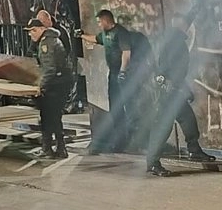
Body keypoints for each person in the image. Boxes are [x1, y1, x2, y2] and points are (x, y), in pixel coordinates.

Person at [144, 12, 215, 177]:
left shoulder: (176, 40)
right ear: (179, 24)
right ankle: (153, 163)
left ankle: (194, 150)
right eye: (185, 23)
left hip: (176, 90)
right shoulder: (171, 41)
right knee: (163, 127)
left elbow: (177, 71)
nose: (187, 26)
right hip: (168, 92)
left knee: (188, 120)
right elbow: (162, 65)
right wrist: (164, 81)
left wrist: (184, 88)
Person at [82, 9, 143, 154]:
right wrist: (81, 36)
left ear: (106, 20)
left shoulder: (121, 33)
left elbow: (126, 53)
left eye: (99, 21)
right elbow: (95, 39)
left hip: (123, 75)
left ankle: (134, 141)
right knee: (115, 107)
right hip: (113, 74)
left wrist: (123, 71)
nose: (98, 24)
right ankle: (120, 141)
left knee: (128, 107)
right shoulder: (105, 34)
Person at [28, 17, 73, 158]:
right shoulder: (50, 39)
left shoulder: (46, 43)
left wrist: (39, 86)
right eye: (29, 31)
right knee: (53, 116)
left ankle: (50, 148)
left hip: (56, 83)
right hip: (60, 82)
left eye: (33, 31)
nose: (31, 34)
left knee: (49, 116)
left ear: (42, 29)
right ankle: (56, 148)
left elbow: (49, 69)